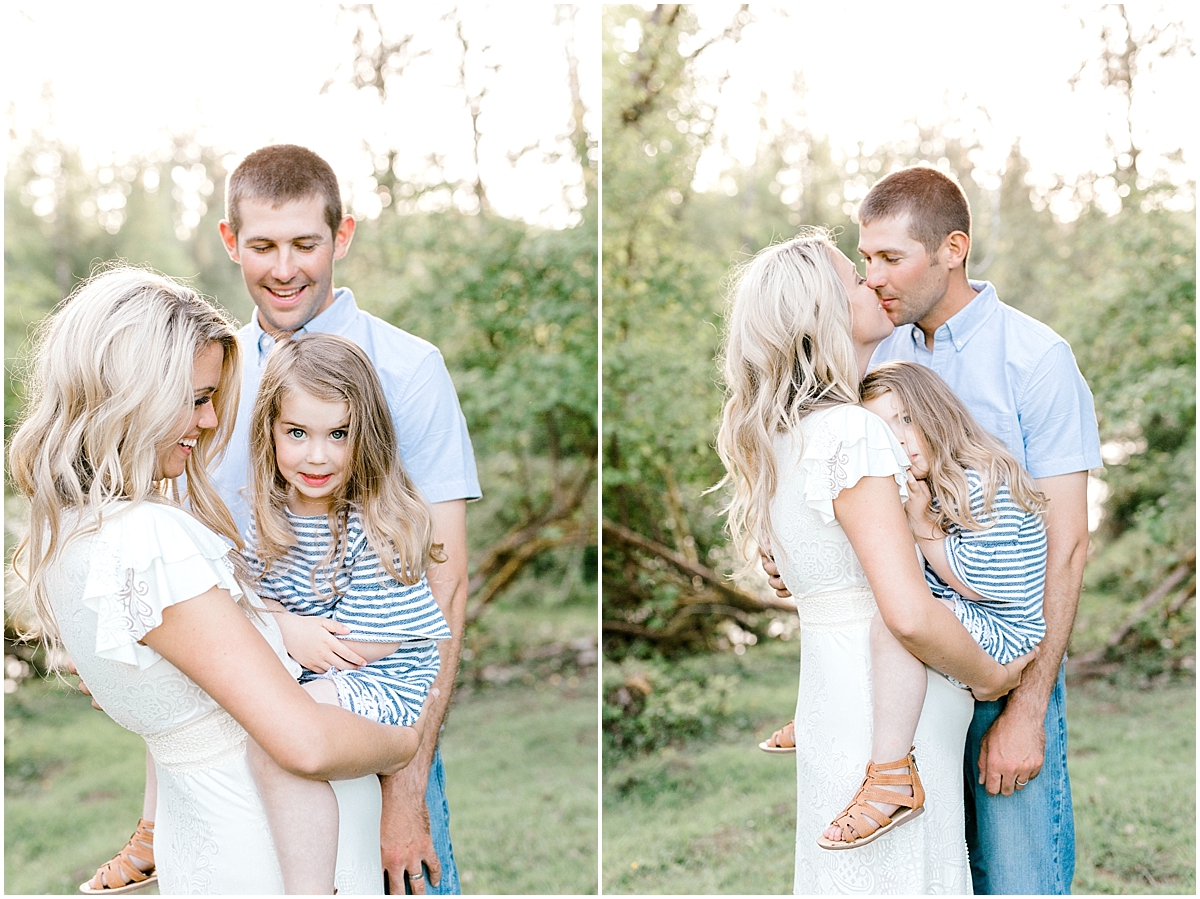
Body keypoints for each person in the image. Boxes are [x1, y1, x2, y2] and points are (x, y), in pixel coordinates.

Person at [86, 144, 480, 895]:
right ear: (231, 241)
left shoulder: (407, 370)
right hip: (234, 710)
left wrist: (404, 788)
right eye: (263, 245)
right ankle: (153, 830)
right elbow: (175, 547)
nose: (286, 267)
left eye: (306, 243)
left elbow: (445, 583)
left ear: (343, 236)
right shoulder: (208, 374)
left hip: (353, 691)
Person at [9, 267, 426, 894]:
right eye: (197, 397)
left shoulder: (75, 532)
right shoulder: (149, 539)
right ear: (134, 395)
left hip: (217, 840)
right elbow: (304, 744)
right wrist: (403, 744)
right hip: (264, 858)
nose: (208, 422)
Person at [763, 166, 1100, 894]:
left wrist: (1027, 706)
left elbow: (1069, 543)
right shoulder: (877, 354)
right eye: (865, 259)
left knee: (1017, 876)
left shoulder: (1036, 359)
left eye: (890, 258)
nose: (873, 276)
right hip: (910, 665)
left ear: (953, 248)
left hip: (1005, 652)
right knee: (933, 865)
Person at [715, 230, 1033, 893]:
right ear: (822, 312)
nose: (874, 283)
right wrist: (993, 677)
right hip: (888, 703)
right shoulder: (852, 431)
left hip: (831, 690)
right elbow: (909, 613)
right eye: (854, 279)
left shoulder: (776, 436)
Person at [242, 333, 453, 893]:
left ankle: (310, 889)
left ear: (368, 437)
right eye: (297, 433)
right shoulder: (256, 519)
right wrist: (287, 626)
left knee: (279, 737)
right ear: (270, 432)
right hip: (313, 669)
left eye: (340, 434)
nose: (318, 455)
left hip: (382, 680)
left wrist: (287, 641)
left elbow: (377, 640)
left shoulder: (380, 521)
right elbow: (240, 605)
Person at [817, 361, 1048, 850]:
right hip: (974, 621)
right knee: (876, 607)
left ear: (935, 411)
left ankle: (890, 779)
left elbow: (987, 583)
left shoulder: (988, 480)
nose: (899, 441)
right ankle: (835, 712)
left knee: (897, 623)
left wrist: (922, 528)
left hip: (1002, 631)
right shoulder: (925, 488)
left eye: (904, 419)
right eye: (882, 432)